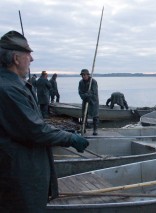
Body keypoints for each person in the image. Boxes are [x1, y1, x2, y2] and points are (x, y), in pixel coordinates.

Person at [0, 30, 89, 213]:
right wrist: (69, 139)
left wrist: (63, 134)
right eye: (28, 54)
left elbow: (34, 123)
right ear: (16, 58)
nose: (31, 59)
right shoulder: (9, 89)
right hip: (20, 177)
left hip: (22, 173)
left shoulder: (15, 84)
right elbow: (35, 130)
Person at [78, 69, 99, 135]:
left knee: (95, 115)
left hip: (93, 100)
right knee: (84, 114)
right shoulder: (81, 82)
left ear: (88, 75)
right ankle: (83, 128)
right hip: (85, 100)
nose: (83, 76)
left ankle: (95, 129)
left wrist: (86, 95)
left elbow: (93, 92)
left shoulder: (93, 81)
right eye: (82, 75)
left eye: (84, 75)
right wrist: (84, 96)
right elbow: (80, 92)